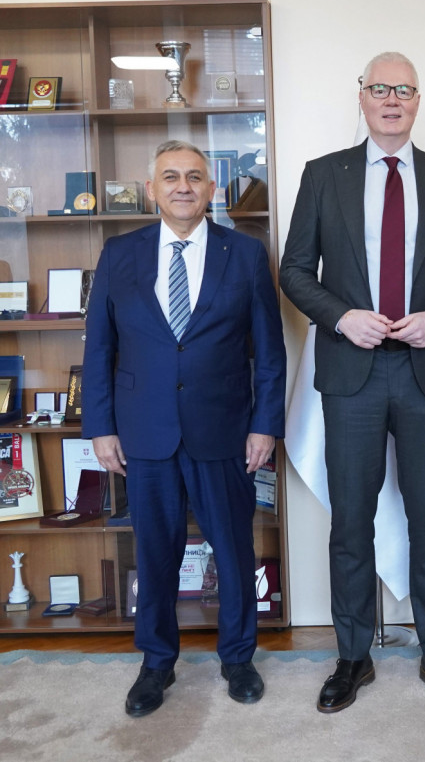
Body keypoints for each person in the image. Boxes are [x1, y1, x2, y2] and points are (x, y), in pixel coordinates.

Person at [279, 52, 425, 713]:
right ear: (362, 97)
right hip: (352, 374)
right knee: (351, 521)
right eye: (380, 88)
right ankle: (352, 657)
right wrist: (341, 317)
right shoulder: (323, 175)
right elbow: (293, 270)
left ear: (418, 100)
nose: (392, 98)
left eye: (403, 89)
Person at [82, 140, 286, 717]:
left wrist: (265, 426)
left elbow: (270, 352)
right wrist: (100, 427)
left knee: (234, 549)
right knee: (155, 554)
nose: (182, 187)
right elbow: (99, 348)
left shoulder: (245, 254)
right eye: (170, 177)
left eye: (194, 177)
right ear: (152, 189)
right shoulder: (119, 253)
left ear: (211, 189)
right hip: (143, 432)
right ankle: (156, 663)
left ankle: (238, 658)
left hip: (223, 429)